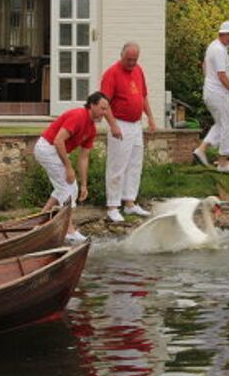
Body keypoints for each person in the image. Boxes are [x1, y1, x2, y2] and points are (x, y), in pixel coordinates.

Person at [35, 91, 110, 242]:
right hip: (47, 148)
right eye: (102, 108)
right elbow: (58, 141)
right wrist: (68, 168)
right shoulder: (78, 116)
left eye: (106, 109)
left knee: (66, 187)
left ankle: (41, 219)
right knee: (68, 188)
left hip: (54, 150)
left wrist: (84, 184)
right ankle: (68, 231)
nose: (105, 112)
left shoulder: (91, 129)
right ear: (92, 105)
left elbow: (83, 158)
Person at [101, 42, 157, 223]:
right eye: (129, 59)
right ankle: (112, 206)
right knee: (117, 165)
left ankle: (130, 202)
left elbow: (143, 96)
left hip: (135, 124)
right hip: (120, 123)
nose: (132, 63)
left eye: (135, 59)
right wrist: (113, 125)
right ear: (122, 55)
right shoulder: (112, 73)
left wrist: (150, 117)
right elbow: (104, 103)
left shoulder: (139, 70)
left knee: (135, 164)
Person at [193, 21, 229, 173]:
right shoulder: (219, 50)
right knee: (228, 128)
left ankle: (201, 149)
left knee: (220, 125)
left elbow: (204, 66)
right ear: (221, 34)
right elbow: (222, 75)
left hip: (211, 92)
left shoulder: (213, 46)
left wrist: (209, 81)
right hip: (218, 94)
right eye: (228, 34)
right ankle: (223, 163)